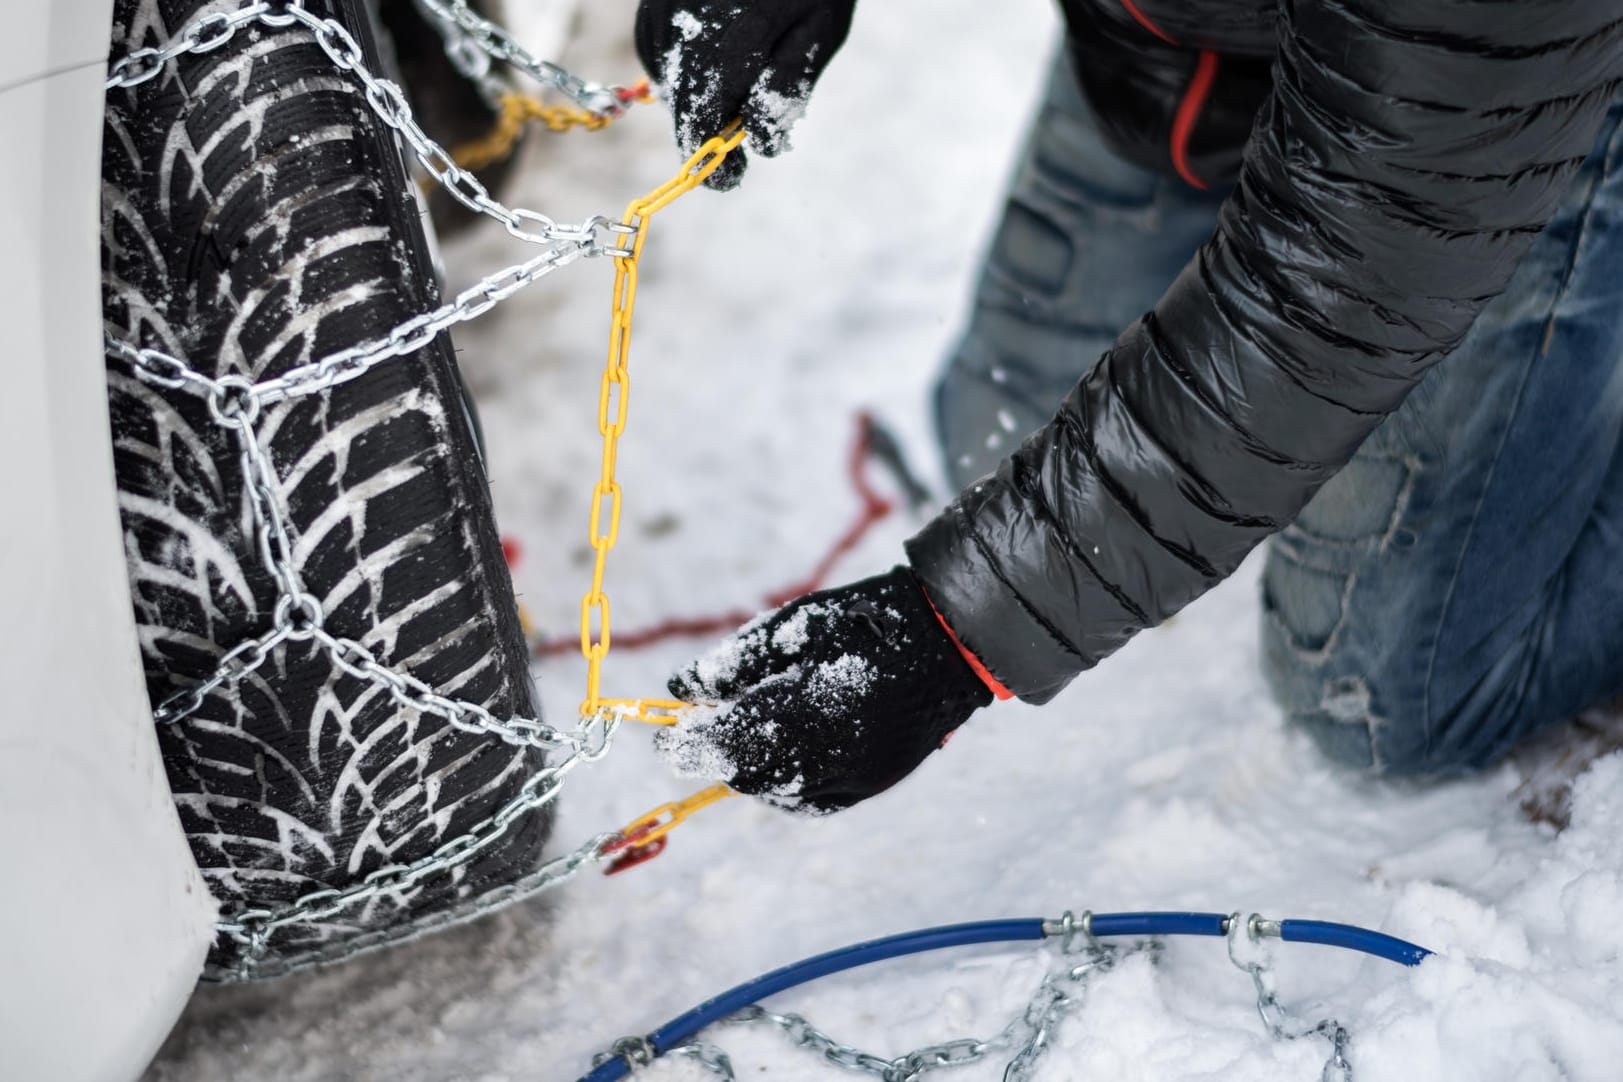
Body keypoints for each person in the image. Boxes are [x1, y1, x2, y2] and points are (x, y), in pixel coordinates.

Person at [633, 0, 1623, 813]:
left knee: (1381, 706)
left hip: (1509, 129)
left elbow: (1345, 284)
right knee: (988, 445)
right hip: (1180, 51)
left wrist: (953, 633)